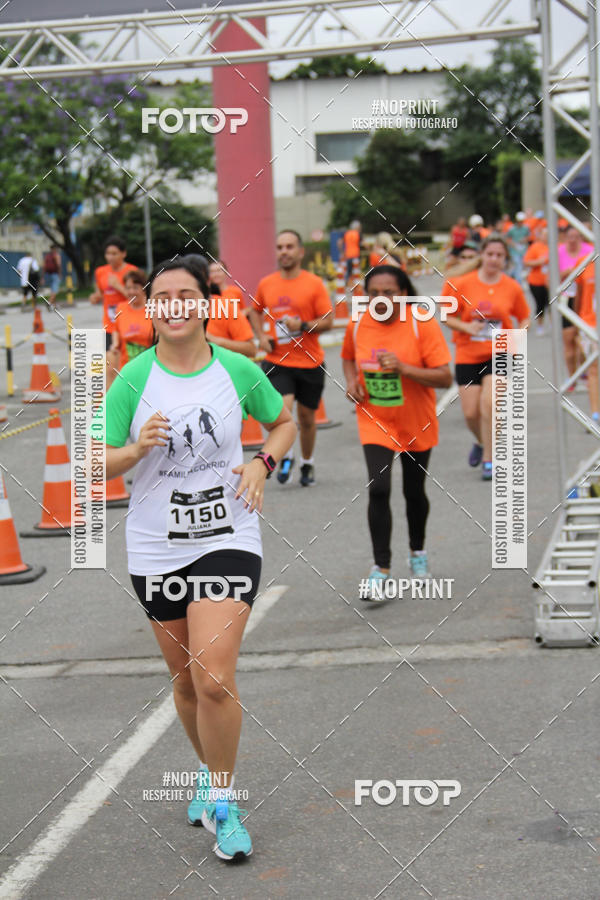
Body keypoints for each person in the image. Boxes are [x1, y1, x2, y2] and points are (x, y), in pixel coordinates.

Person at [103, 256, 296, 861]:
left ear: (205, 305)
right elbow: (93, 462)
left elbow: (283, 422)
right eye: (164, 297)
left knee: (213, 677)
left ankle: (224, 800)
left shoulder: (237, 369)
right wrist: (136, 449)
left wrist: (262, 462)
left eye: (189, 294)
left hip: (227, 535)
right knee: (185, 685)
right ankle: (210, 777)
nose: (177, 305)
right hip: (156, 544)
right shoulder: (131, 379)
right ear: (151, 309)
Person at [341, 265, 452, 590]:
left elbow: (445, 377)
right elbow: (348, 357)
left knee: (414, 492)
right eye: (373, 293)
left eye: (388, 292)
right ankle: (382, 568)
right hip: (375, 419)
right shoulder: (357, 323)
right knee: (379, 489)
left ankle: (417, 552)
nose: (380, 299)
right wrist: (351, 381)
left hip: (416, 420)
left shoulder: (421, 324)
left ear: (403, 294)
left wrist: (404, 368)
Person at [442, 235, 530, 481]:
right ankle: (482, 442)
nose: (494, 259)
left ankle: (490, 460)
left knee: (490, 403)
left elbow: (524, 315)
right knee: (470, 413)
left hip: (501, 351)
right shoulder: (462, 283)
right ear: (482, 255)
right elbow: (445, 315)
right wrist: (466, 327)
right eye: (490, 254)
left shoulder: (511, 286)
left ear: (505, 259)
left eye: (499, 255)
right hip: (468, 353)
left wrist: (520, 333)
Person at [249, 229, 333, 486]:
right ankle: (286, 454)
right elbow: (254, 311)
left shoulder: (314, 284)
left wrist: (304, 324)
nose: (283, 252)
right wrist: (260, 337)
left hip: (310, 362)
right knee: (280, 413)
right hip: (277, 361)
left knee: (307, 419)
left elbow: (328, 321)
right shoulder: (267, 283)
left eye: (289, 247)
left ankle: (306, 462)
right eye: (280, 247)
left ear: (300, 251)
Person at [89, 236, 138, 382]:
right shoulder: (100, 272)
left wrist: (119, 286)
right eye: (108, 253)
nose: (110, 257)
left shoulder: (131, 272)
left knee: (128, 362)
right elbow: (100, 292)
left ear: (123, 254)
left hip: (127, 323)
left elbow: (137, 298)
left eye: (114, 253)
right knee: (110, 363)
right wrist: (95, 296)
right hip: (109, 324)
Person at [558, 225, 593, 387]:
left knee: (583, 340)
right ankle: (572, 378)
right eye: (570, 236)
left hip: (587, 300)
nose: (573, 240)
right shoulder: (559, 251)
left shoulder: (590, 250)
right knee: (569, 340)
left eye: (576, 236)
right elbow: (550, 278)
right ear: (565, 237)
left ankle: (586, 368)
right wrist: (567, 274)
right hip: (567, 299)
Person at [111, 269, 154, 378]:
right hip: (127, 370)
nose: (131, 292)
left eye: (135, 288)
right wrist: (115, 344)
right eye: (128, 288)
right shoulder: (121, 308)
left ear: (144, 289)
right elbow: (116, 330)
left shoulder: (153, 309)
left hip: (150, 369)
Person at [207, 260, 255, 358]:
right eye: (212, 271)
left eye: (219, 270)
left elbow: (243, 311)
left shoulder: (235, 292)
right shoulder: (207, 298)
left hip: (236, 337)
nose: (216, 274)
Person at [574, 258, 599, 422]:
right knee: (594, 369)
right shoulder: (585, 263)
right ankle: (596, 414)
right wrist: (575, 321)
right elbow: (579, 294)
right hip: (590, 323)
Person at [523, 228, 549, 334]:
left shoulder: (555, 246)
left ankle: (554, 325)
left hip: (550, 282)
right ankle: (540, 325)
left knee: (551, 304)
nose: (546, 237)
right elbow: (526, 262)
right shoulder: (535, 247)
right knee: (540, 304)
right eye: (544, 235)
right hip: (536, 282)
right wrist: (539, 262)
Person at [506, 212, 530, 283]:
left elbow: (527, 237)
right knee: (518, 265)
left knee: (522, 266)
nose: (520, 223)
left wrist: (524, 240)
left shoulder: (525, 228)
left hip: (523, 250)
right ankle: (518, 282)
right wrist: (514, 244)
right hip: (514, 251)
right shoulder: (512, 229)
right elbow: (508, 239)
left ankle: (512, 276)